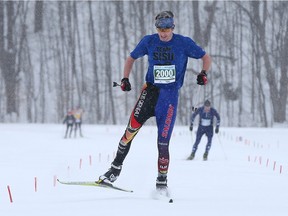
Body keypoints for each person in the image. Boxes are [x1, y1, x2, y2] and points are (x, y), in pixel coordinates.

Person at [98, 11, 212, 192]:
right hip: (149, 93)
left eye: (166, 29)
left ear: (172, 27)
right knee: (129, 132)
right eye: (160, 29)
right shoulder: (149, 41)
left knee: (163, 142)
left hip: (169, 98)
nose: (163, 33)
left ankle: (161, 182)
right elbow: (131, 58)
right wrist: (125, 79)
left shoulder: (183, 43)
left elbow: (205, 57)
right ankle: (113, 171)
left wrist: (203, 73)